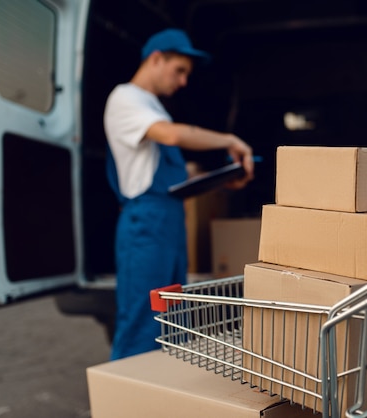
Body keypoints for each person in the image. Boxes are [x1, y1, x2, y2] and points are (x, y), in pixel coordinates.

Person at [103, 28, 254, 360]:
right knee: (142, 322)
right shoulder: (125, 98)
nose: (183, 81)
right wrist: (230, 140)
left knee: (172, 322)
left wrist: (220, 180)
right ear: (157, 59)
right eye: (179, 70)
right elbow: (171, 137)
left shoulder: (152, 106)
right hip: (145, 225)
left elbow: (177, 173)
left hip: (169, 224)